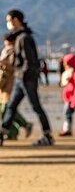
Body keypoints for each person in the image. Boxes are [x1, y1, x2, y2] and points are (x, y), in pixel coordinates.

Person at [0, 9, 53, 146]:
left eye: (8, 20)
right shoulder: (20, 37)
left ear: (16, 20)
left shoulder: (24, 38)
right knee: (11, 106)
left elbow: (30, 61)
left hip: (25, 78)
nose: (8, 23)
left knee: (35, 106)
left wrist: (23, 75)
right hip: (20, 78)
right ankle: (2, 133)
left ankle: (47, 135)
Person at [0, 32, 32, 143]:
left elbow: (14, 67)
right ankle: (12, 131)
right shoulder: (6, 51)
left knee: (6, 109)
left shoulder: (14, 51)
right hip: (3, 83)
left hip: (11, 83)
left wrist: (2, 63)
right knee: (6, 108)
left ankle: (16, 130)